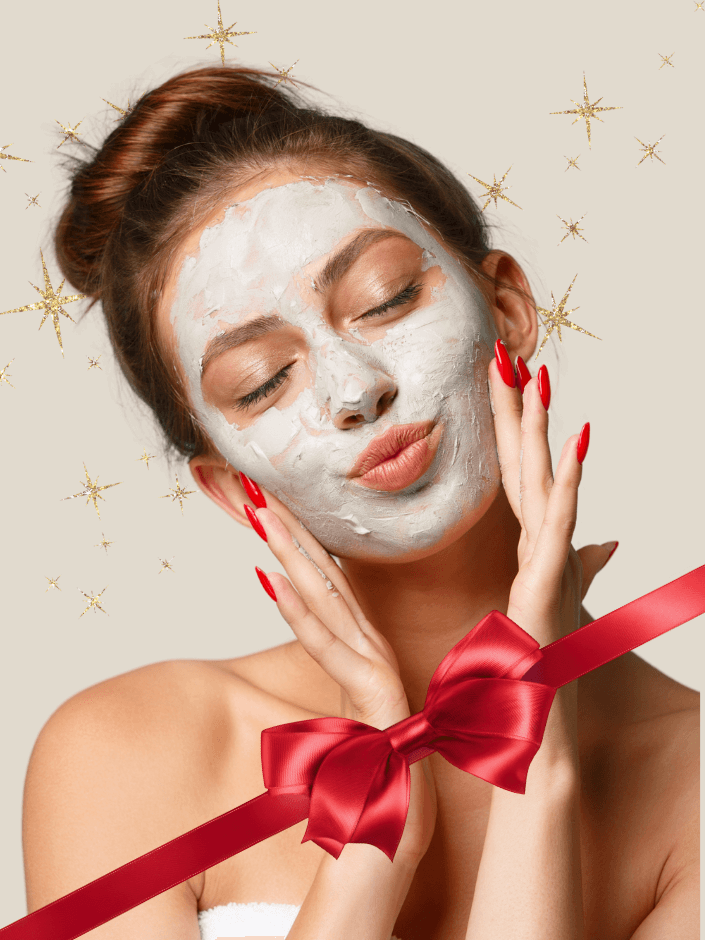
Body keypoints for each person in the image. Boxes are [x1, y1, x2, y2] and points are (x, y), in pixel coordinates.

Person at [21, 64, 699, 940]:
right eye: (262, 383)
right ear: (235, 487)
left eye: (386, 298)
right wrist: (372, 854)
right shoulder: (126, 752)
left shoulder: (694, 781)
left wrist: (539, 749)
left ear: (507, 306)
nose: (352, 390)